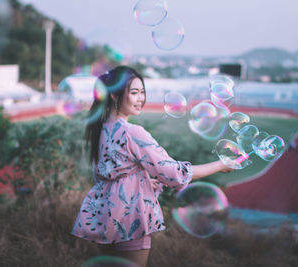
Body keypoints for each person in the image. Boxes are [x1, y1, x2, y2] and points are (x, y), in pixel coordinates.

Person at [71, 66, 233, 267]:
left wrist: (144, 181)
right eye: (134, 93)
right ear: (113, 95)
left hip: (104, 215)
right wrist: (219, 165)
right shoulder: (133, 132)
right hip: (130, 218)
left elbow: (108, 175)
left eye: (142, 92)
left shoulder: (101, 129)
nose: (141, 98)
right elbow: (174, 174)